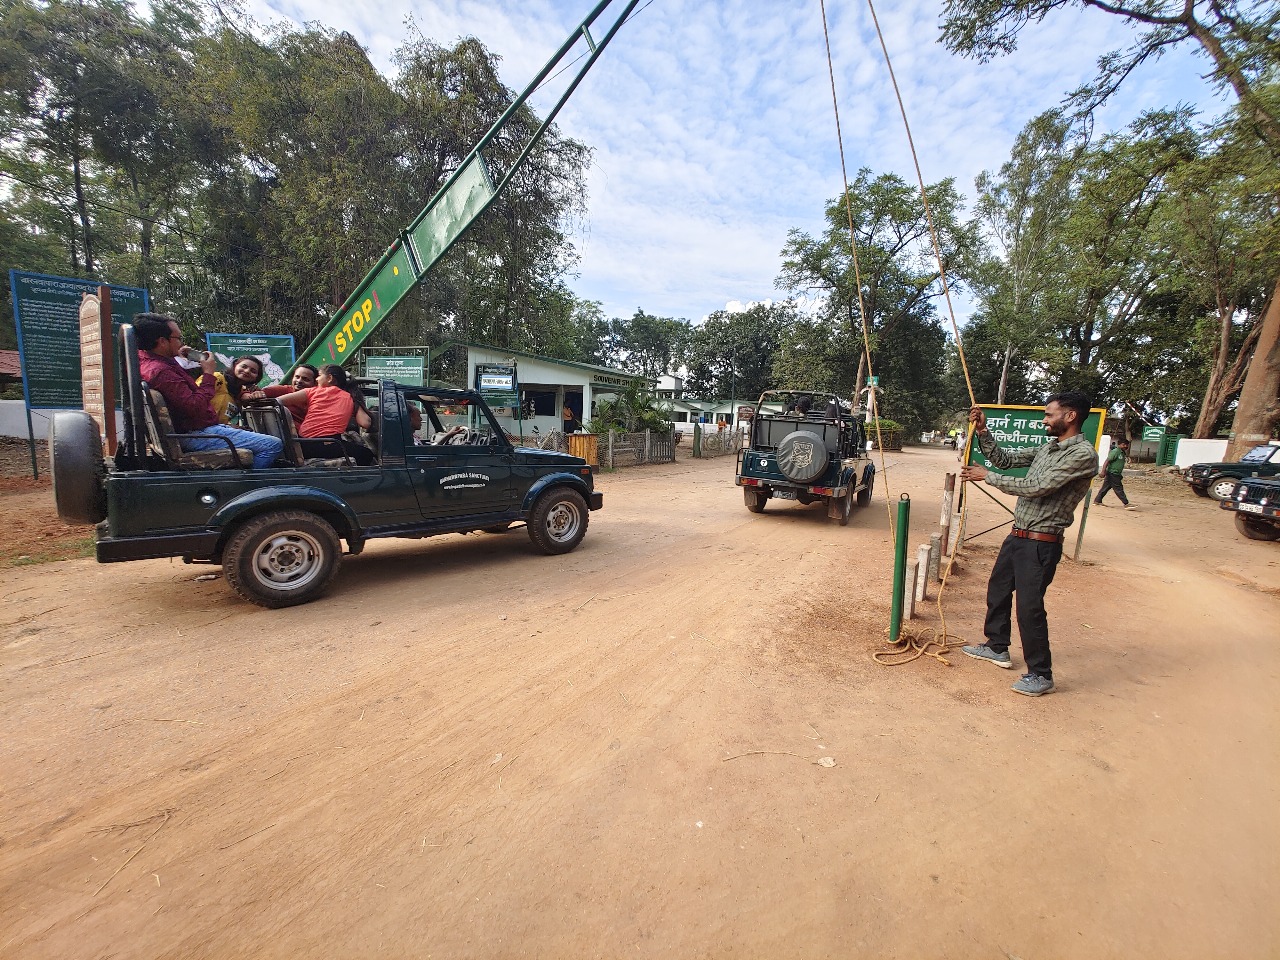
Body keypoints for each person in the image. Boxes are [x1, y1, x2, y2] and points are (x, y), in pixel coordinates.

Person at [958, 392, 1099, 697]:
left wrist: (987, 477)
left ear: (1070, 416)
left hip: (1041, 543)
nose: (1044, 420)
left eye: (1050, 415)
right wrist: (983, 431)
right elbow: (1006, 460)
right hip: (1018, 536)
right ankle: (997, 646)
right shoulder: (1049, 447)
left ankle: (1041, 673)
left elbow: (1036, 487)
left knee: (1029, 607)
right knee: (997, 590)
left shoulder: (1082, 455)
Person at [133, 313, 284, 469]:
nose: (181, 343)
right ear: (162, 341)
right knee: (272, 445)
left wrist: (188, 355)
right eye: (178, 338)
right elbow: (196, 406)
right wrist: (208, 374)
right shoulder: (162, 371)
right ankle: (244, 487)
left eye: (253, 371)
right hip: (194, 433)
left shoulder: (155, 361)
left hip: (199, 428)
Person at [276, 364, 375, 464]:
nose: (317, 379)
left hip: (303, 444)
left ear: (330, 378)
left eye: (319, 375)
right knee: (366, 454)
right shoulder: (350, 398)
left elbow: (279, 401)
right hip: (326, 444)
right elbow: (365, 423)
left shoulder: (312, 392)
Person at [201, 355, 266, 424]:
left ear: (257, 377)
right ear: (235, 365)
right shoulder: (217, 378)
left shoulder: (239, 392)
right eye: (244, 367)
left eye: (253, 371)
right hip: (201, 427)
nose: (247, 371)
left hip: (217, 429)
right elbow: (196, 398)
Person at [1095, 438, 1134, 508]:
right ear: (1119, 444)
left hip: (1116, 474)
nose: (1126, 446)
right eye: (1124, 445)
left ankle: (1097, 501)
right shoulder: (1115, 451)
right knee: (1119, 489)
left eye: (1127, 445)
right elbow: (1107, 461)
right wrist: (1103, 471)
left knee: (1105, 488)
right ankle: (1126, 504)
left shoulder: (1122, 453)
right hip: (1113, 473)